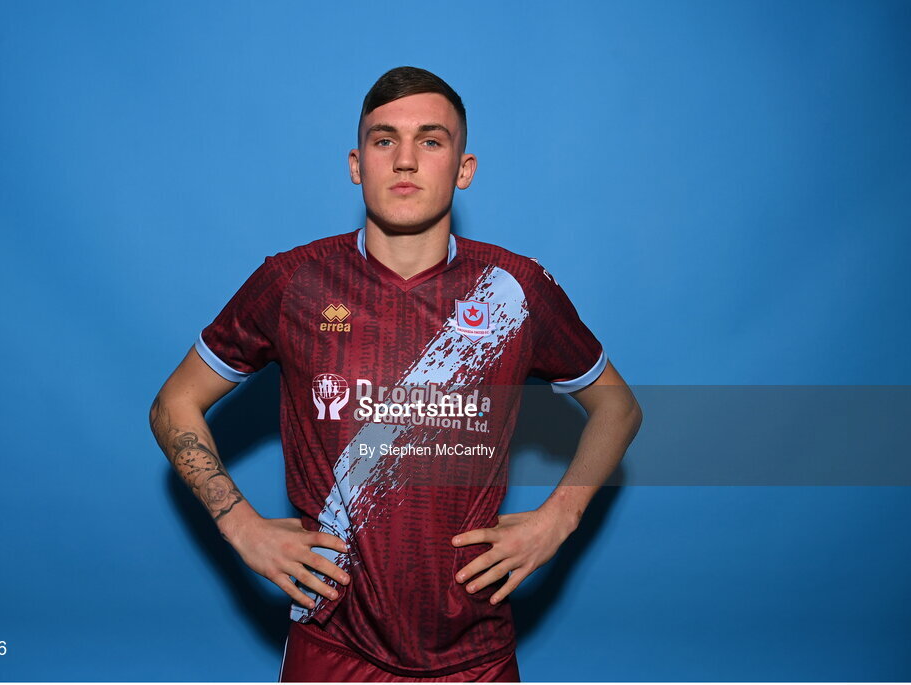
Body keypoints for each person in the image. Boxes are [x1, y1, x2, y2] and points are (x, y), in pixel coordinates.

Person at [149, 66, 643, 682]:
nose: (405, 160)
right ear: (357, 164)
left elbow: (619, 408)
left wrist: (560, 517)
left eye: (430, 141)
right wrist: (238, 523)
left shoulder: (514, 290)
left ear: (463, 170)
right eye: (385, 140)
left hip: (475, 651)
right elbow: (174, 403)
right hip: (334, 646)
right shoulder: (292, 282)